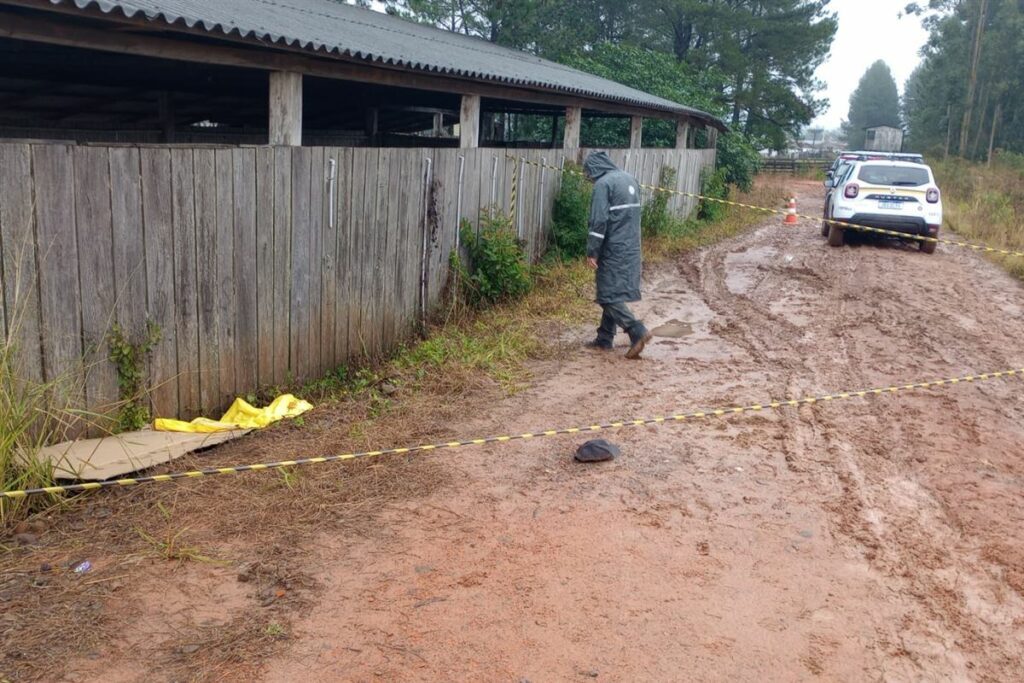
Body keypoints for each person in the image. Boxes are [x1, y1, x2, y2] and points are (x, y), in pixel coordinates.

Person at [582, 151, 652, 360]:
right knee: (613, 291)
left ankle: (636, 330)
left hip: (613, 248)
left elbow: (599, 221)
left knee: (606, 294)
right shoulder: (629, 178)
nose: (589, 178)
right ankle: (604, 338)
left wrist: (592, 250)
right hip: (631, 247)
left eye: (588, 173)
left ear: (594, 169)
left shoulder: (603, 185)